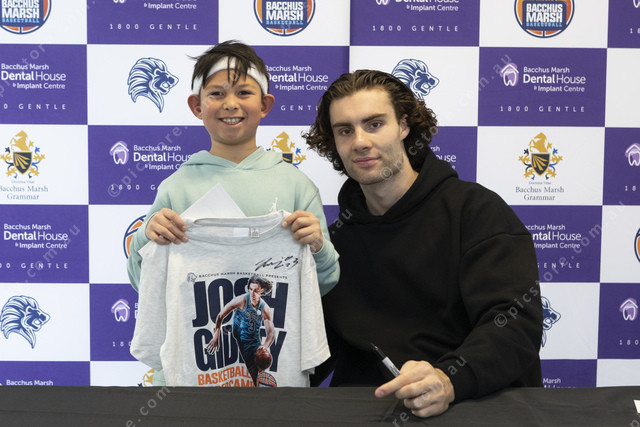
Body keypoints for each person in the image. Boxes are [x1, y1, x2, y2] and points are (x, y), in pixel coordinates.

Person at [304, 70, 542, 418]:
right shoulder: (335, 240)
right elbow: (314, 352)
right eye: (345, 130)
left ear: (404, 126)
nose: (359, 142)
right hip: (368, 412)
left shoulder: (476, 211)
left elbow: (515, 324)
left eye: (374, 124)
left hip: (469, 407)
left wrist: (449, 380)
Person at [127, 40, 339, 385]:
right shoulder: (175, 188)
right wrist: (145, 236)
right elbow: (145, 282)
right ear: (197, 105)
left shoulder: (297, 186)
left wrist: (317, 247)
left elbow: (324, 283)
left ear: (265, 104)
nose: (230, 104)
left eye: (243, 92)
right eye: (217, 93)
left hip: (275, 386)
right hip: (189, 385)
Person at [206, 275, 275, 386]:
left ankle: (260, 388)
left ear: (261, 290)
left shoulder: (264, 308)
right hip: (242, 337)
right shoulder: (242, 300)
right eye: (250, 289)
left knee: (263, 362)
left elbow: (271, 332)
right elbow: (220, 315)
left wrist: (265, 346)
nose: (252, 293)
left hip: (253, 339)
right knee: (252, 371)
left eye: (256, 290)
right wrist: (216, 336)